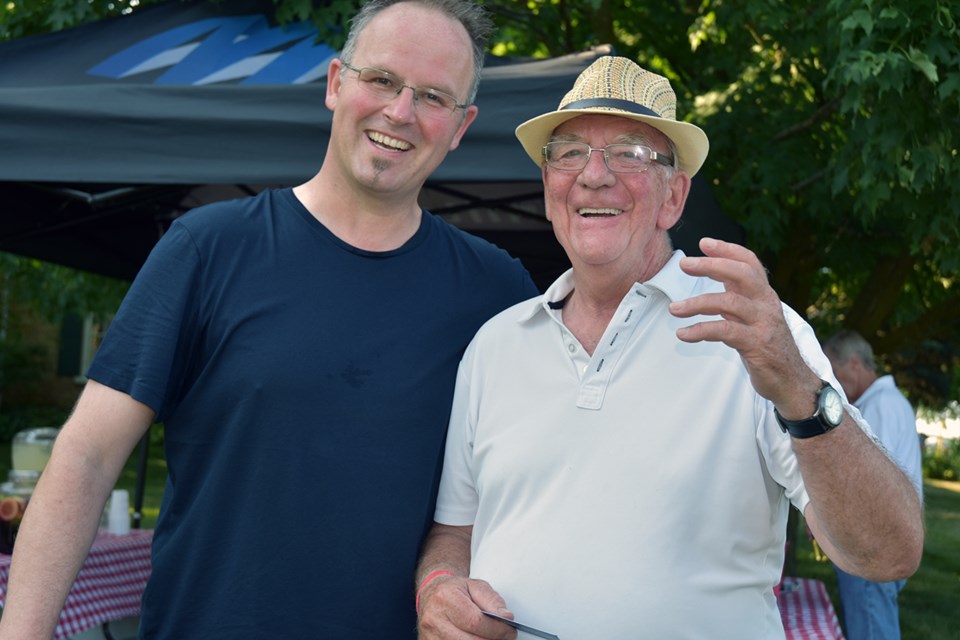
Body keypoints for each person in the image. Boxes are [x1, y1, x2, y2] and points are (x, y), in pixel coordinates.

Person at [0, 2, 538, 638]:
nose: (400, 111)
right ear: (337, 83)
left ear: (460, 126)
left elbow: (536, 480)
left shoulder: (496, 291)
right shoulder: (207, 250)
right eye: (383, 81)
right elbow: (87, 455)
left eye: (432, 96)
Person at [414, 55, 924, 639]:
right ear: (550, 186)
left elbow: (889, 555)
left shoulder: (756, 331)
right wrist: (439, 588)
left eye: (629, 152)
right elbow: (456, 531)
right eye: (570, 151)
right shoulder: (495, 345)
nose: (593, 175)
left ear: (674, 198)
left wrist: (799, 388)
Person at [823, 329, 923, 640]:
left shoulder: (879, 406)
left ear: (855, 363)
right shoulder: (889, 401)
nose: (833, 383)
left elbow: (866, 482)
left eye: (835, 372)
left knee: (872, 630)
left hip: (873, 541)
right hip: (885, 538)